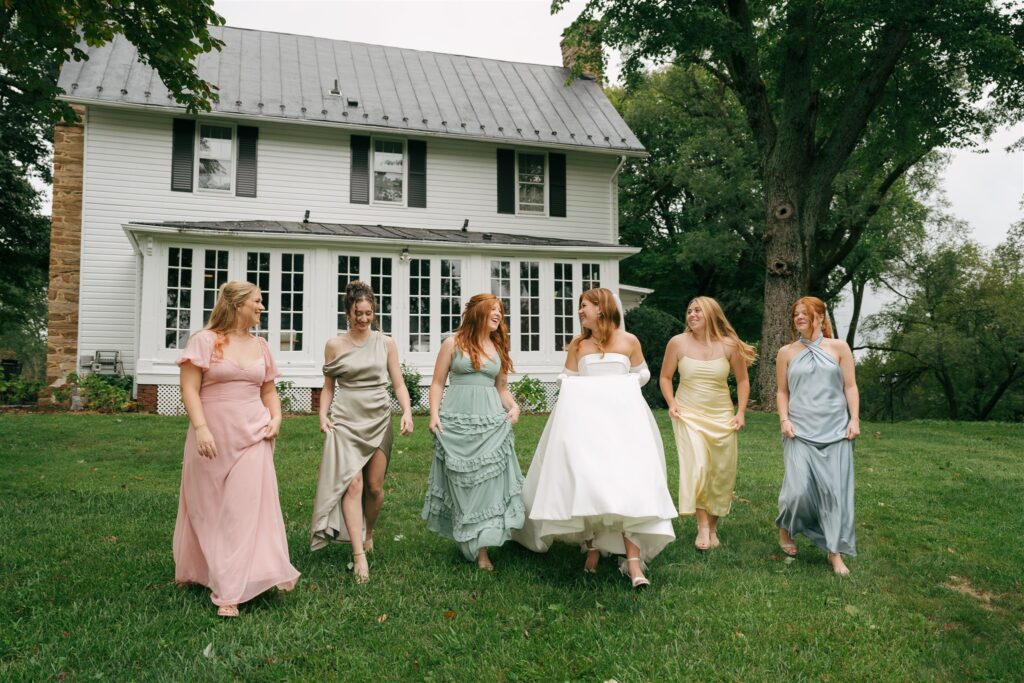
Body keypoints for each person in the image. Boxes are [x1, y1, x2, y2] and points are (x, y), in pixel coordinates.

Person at [513, 288, 676, 588]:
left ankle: (633, 562)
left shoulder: (629, 341)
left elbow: (643, 374)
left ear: (601, 309)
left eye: (584, 306)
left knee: (627, 484)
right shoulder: (579, 345)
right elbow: (567, 377)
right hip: (586, 425)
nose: (579, 311)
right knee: (587, 480)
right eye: (579, 307)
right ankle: (591, 548)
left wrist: (621, 384)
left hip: (623, 423)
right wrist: (574, 385)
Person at [173, 281, 300, 617]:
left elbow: (268, 390)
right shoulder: (204, 341)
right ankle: (206, 569)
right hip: (212, 436)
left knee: (242, 511)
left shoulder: (261, 346)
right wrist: (201, 428)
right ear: (237, 303)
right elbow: (189, 388)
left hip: (253, 434)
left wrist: (277, 418)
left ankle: (230, 591)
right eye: (257, 301)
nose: (262, 307)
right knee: (208, 509)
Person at [310, 281, 414, 583]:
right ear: (348, 312)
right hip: (346, 418)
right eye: (359, 313)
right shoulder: (334, 345)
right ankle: (358, 555)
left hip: (379, 417)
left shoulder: (386, 343)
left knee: (374, 487)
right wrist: (322, 413)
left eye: (369, 313)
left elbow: (398, 383)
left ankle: (370, 530)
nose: (364, 319)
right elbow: (329, 386)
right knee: (352, 484)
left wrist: (406, 411)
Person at [422, 293, 525, 570]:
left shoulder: (499, 347)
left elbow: (501, 388)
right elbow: (437, 383)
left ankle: (482, 550)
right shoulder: (452, 343)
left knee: (487, 485)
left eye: (501, 311)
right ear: (478, 312)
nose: (498, 315)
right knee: (461, 481)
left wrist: (513, 407)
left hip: (490, 423)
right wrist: (433, 413)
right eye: (493, 310)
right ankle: (466, 534)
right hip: (456, 422)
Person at [660, 296, 756, 550]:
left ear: (711, 315)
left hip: (722, 415)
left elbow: (743, 381)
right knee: (698, 467)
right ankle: (702, 528)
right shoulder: (677, 343)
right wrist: (672, 403)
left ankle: (713, 527)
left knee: (721, 472)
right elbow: (665, 377)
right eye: (689, 310)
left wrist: (741, 412)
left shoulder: (728, 346)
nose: (691, 315)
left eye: (698, 311)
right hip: (688, 414)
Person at [775, 296, 860, 575]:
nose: (799, 317)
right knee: (797, 491)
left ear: (820, 318)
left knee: (833, 494)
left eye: (805, 313)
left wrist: (854, 420)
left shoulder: (839, 348)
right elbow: (782, 391)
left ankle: (833, 553)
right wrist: (785, 419)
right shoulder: (786, 352)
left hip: (836, 430)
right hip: (799, 431)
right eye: (796, 314)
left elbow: (850, 386)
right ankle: (786, 526)